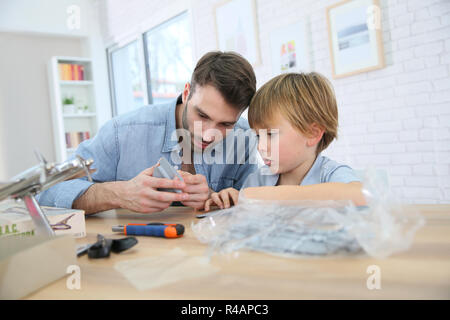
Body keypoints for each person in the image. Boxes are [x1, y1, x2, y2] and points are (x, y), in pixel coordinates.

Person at [37, 51, 258, 214]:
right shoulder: (123, 132)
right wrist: (120, 193)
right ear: (187, 92)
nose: (209, 134)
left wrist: (214, 197)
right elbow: (48, 191)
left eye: (225, 125)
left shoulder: (243, 138)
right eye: (202, 115)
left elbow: (256, 208)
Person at [204, 72, 366, 211]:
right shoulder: (258, 180)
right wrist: (230, 200)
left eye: (270, 134)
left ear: (312, 134)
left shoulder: (330, 174)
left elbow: (360, 196)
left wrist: (268, 196)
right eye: (258, 136)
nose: (260, 147)